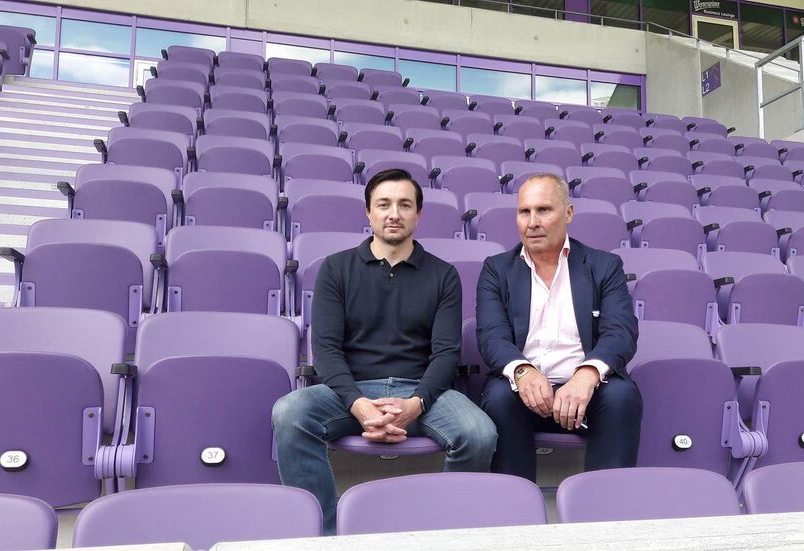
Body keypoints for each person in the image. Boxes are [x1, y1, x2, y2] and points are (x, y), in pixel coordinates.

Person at [272, 168, 497, 533]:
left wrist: (415, 404)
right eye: (384, 204)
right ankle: (322, 536)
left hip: (423, 392)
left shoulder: (443, 275)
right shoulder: (336, 268)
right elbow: (326, 350)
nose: (394, 213)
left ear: (418, 214)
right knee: (289, 412)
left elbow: (445, 354)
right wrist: (357, 404)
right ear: (369, 212)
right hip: (352, 390)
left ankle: (445, 532)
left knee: (479, 432)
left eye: (404, 204)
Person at [477, 173, 641, 482]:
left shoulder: (604, 266)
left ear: (568, 213)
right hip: (521, 386)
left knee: (622, 397)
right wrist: (522, 371)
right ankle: (516, 511)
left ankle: (607, 513)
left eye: (544, 210)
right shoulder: (496, 269)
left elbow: (621, 332)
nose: (532, 221)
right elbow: (491, 336)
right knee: (499, 398)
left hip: (588, 388)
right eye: (524, 211)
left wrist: (587, 375)